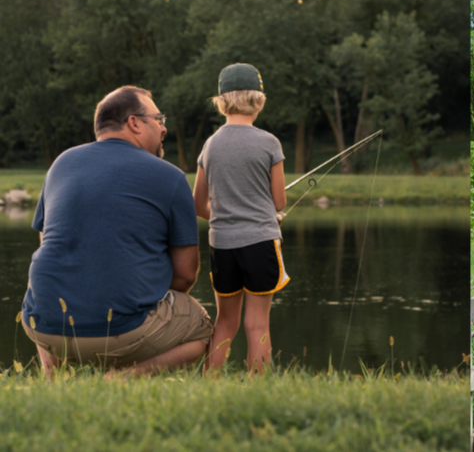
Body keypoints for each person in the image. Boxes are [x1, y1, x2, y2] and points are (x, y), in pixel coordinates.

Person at [21, 86, 212, 377]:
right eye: (158, 118)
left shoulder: (61, 163)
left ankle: (54, 380)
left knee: (48, 282)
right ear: (134, 123)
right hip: (124, 334)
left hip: (42, 328)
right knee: (203, 328)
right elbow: (185, 275)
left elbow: (49, 244)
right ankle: (118, 380)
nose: (164, 128)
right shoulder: (170, 176)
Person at [192, 64, 288, 374]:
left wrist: (223, 218)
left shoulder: (210, 145)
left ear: (221, 101)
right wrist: (270, 216)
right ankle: (257, 387)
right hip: (261, 242)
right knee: (257, 322)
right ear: (258, 100)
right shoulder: (269, 143)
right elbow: (279, 201)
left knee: (225, 321)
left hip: (222, 246)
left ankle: (209, 382)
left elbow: (198, 203)